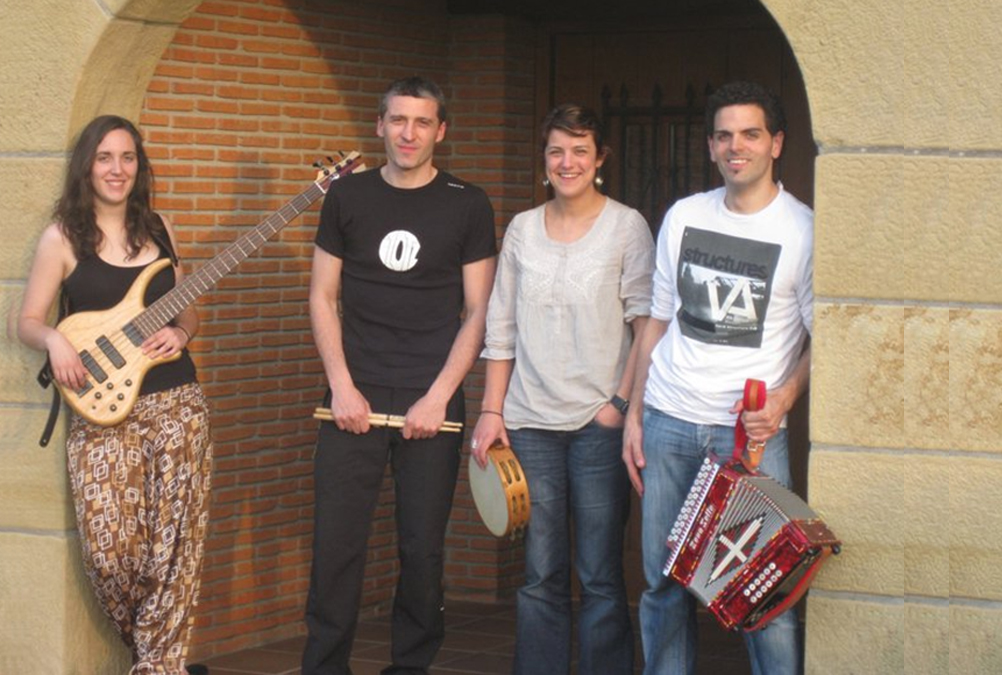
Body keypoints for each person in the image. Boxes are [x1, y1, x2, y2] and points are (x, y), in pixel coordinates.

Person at [302, 76, 497, 675]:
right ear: (380, 125)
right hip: (352, 395)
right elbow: (322, 295)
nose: (408, 133)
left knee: (422, 550)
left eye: (421, 122)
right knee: (336, 547)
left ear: (441, 130)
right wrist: (341, 386)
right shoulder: (346, 196)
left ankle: (410, 667)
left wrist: (439, 397)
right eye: (398, 120)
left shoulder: (468, 203)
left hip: (431, 400)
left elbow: (478, 311)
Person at [623, 81, 813, 675]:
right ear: (710, 146)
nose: (737, 147)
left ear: (776, 143)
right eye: (725, 136)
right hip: (668, 421)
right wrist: (634, 414)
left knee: (763, 592)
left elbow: (824, 336)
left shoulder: (802, 230)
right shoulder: (684, 216)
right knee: (662, 583)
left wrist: (783, 399)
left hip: (749, 437)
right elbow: (657, 320)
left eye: (751, 134)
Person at [17, 115, 212, 674]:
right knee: (110, 554)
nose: (117, 169)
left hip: (177, 404)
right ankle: (157, 654)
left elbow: (187, 309)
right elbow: (25, 320)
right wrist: (54, 339)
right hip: (102, 413)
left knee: (175, 549)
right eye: (105, 157)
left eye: (128, 157)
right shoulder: (62, 237)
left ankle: (159, 665)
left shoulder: (160, 228)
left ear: (139, 167)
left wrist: (182, 332)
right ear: (87, 166)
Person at [471, 103, 654, 675]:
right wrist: (491, 411)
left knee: (599, 574)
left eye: (580, 151)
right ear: (544, 159)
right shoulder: (523, 229)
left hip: (599, 426)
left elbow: (646, 324)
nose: (567, 162)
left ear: (599, 160)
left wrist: (619, 405)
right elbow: (501, 328)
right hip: (529, 425)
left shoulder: (627, 226)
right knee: (540, 573)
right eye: (556, 151)